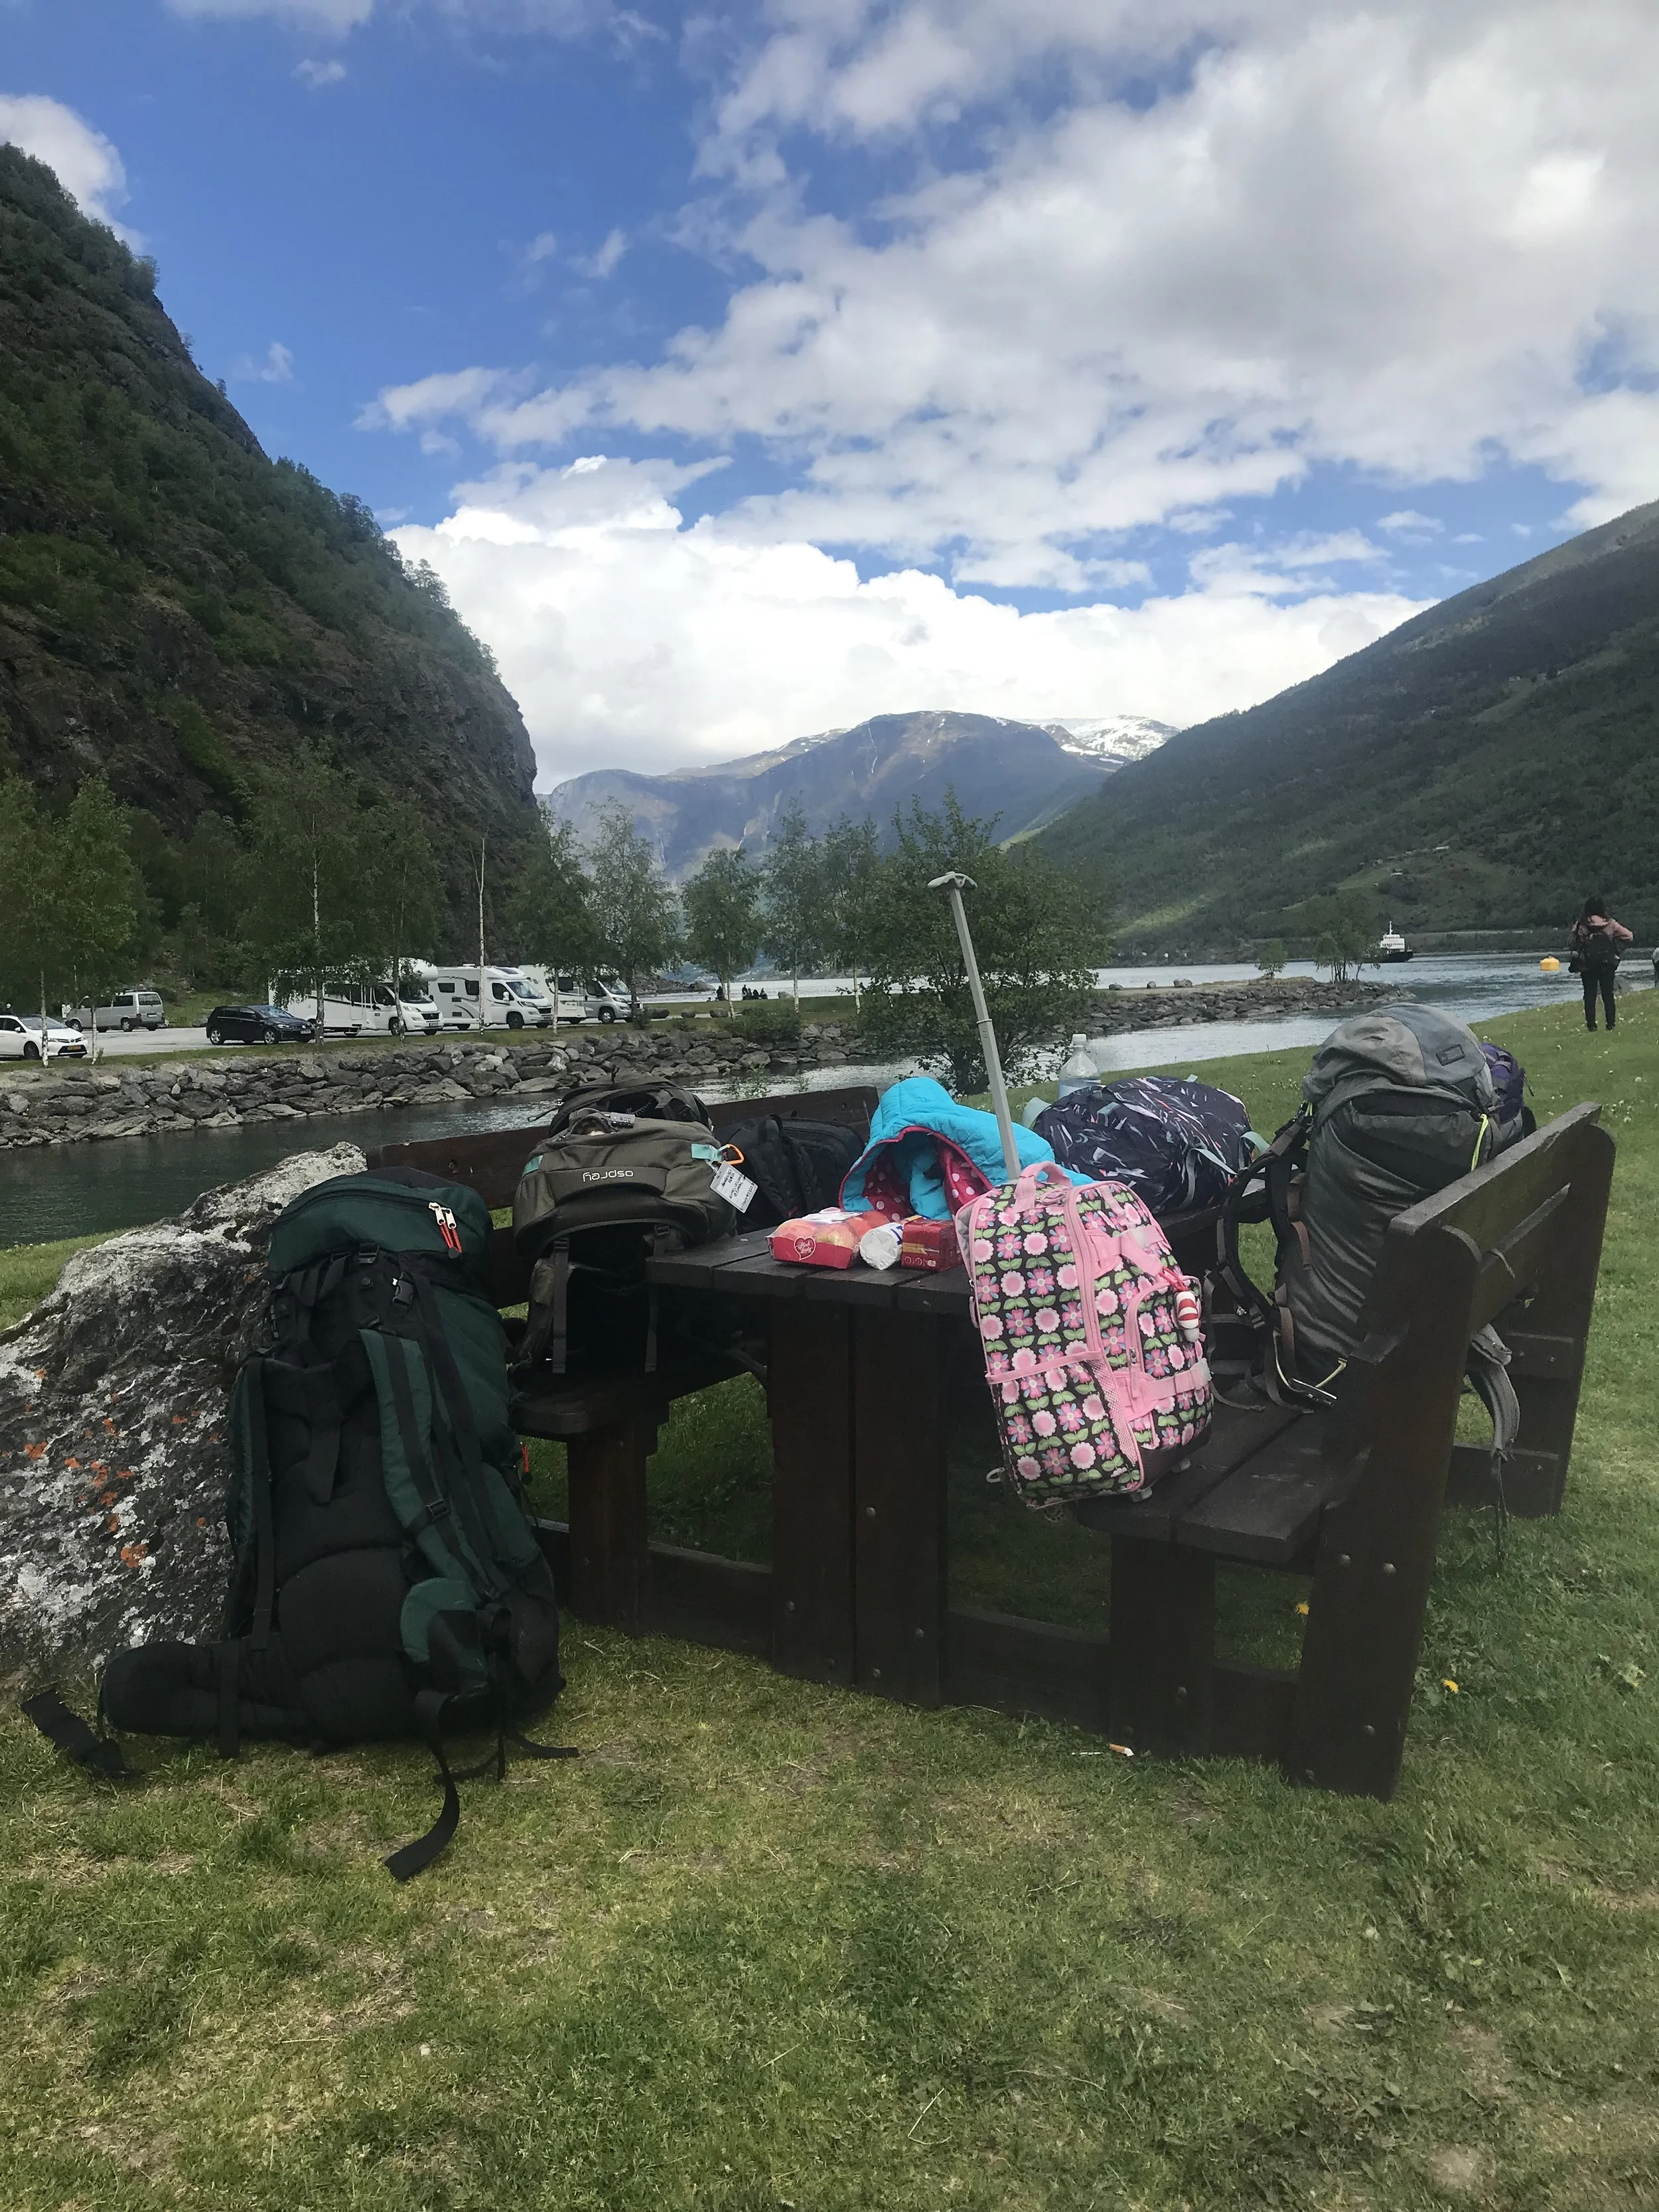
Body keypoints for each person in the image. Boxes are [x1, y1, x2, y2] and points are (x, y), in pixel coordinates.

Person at [1569, 894, 1632, 1031]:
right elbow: (1629, 936)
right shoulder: (1611, 924)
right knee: (1608, 994)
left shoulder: (1581, 924)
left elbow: (1572, 942)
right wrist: (1616, 949)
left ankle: (1591, 1025)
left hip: (1587, 964)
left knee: (1589, 995)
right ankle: (1611, 1024)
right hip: (1606, 963)